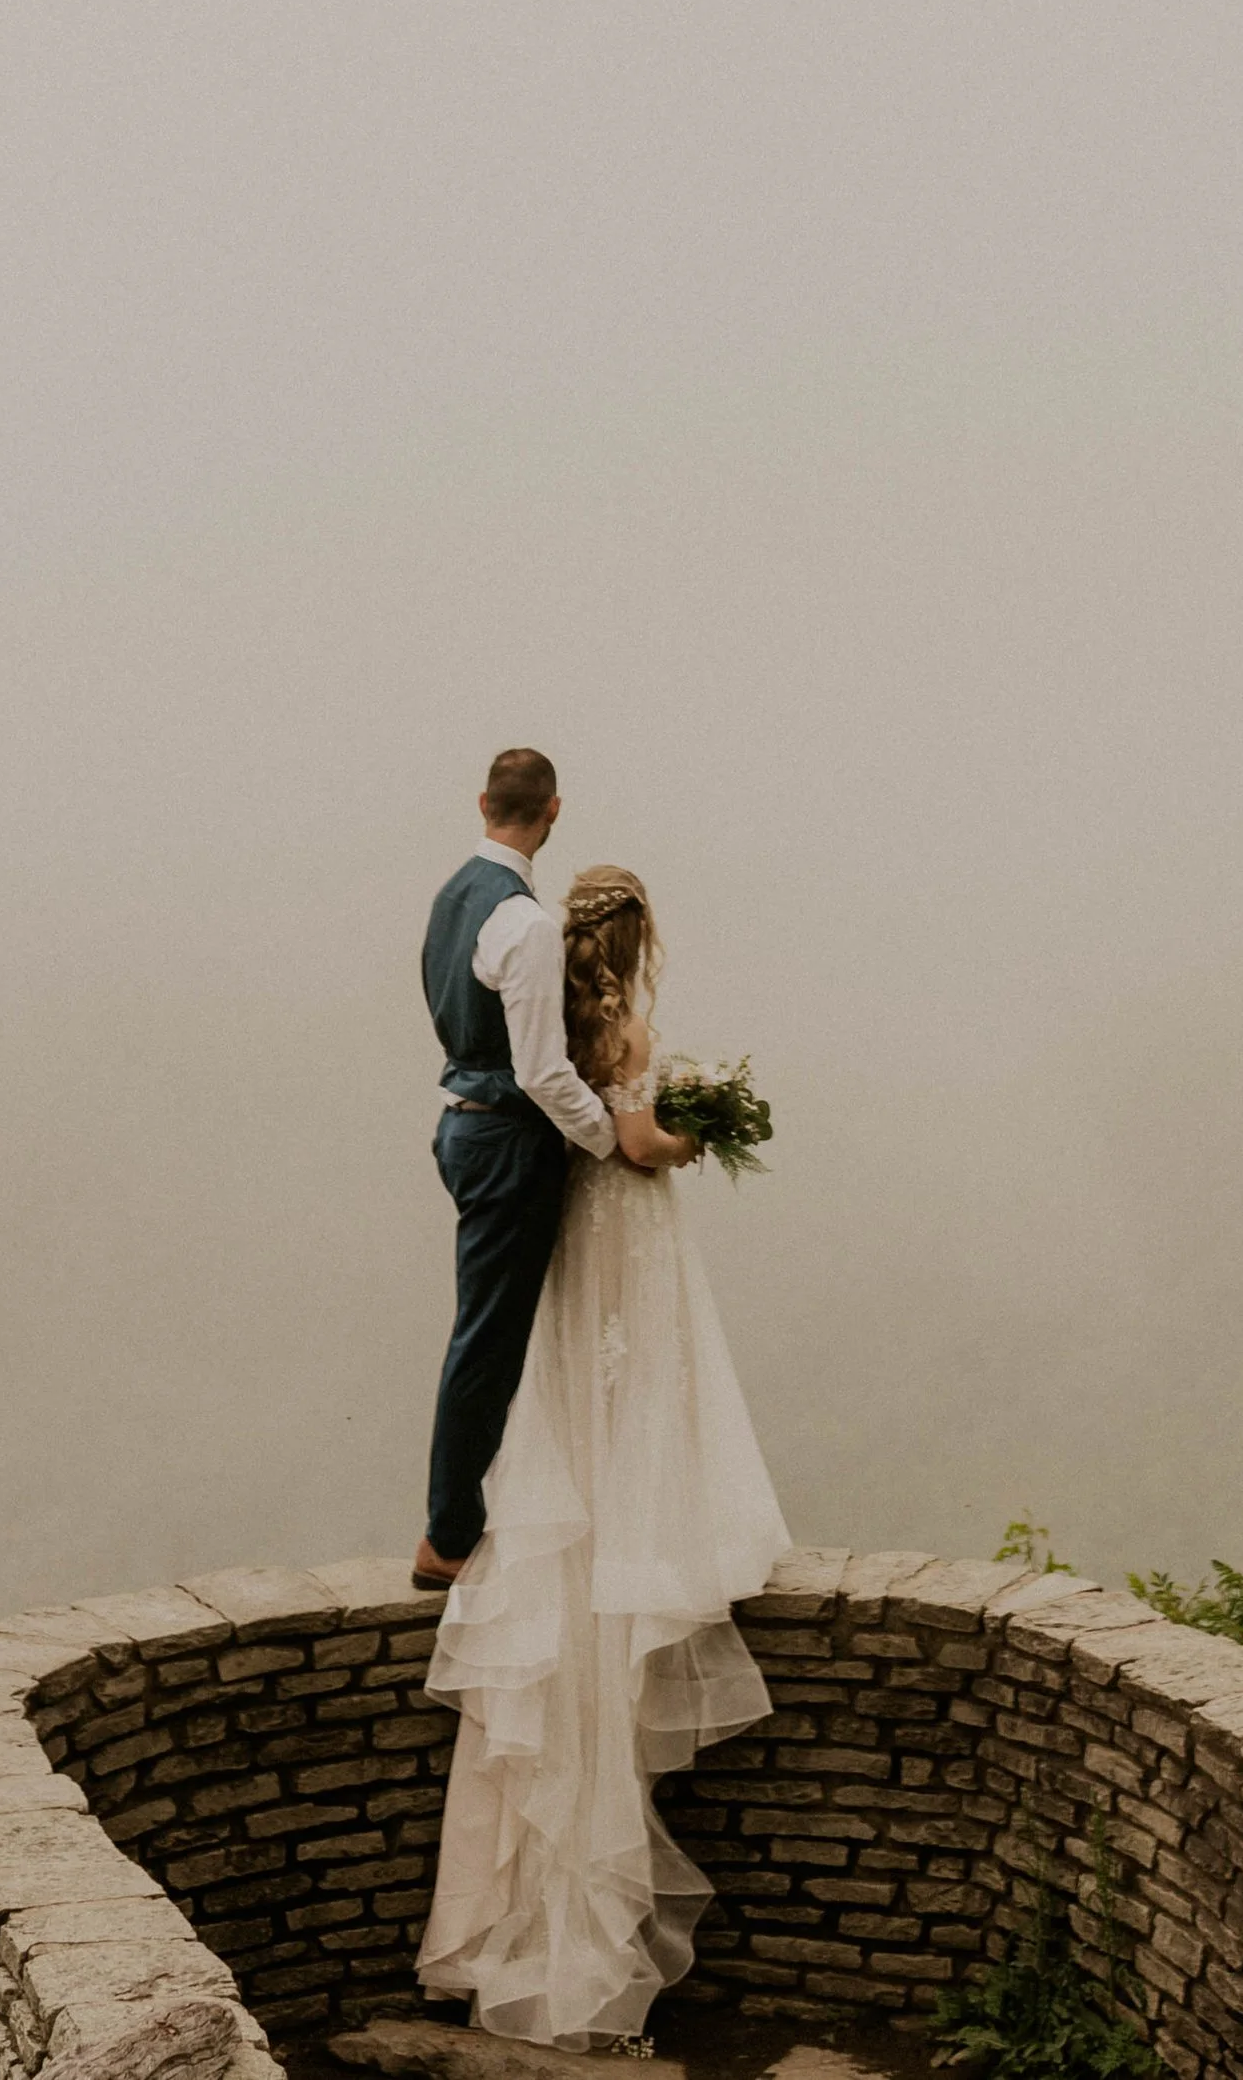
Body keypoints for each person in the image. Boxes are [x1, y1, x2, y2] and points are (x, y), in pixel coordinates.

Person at [418, 860, 790, 2047]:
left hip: (568, 1237)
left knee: (575, 1389)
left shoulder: (548, 1017)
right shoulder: (620, 1022)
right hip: (625, 1229)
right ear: (636, 940)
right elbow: (634, 1144)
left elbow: (573, 1117)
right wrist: (692, 1133)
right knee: (641, 1394)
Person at [416, 749, 669, 1590]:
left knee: (492, 1332)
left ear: (483, 801)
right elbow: (542, 1070)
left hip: (464, 1123)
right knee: (488, 1339)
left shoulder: (452, 898)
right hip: (508, 1141)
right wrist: (612, 1143)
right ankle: (449, 1537)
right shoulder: (523, 922)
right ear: (552, 811)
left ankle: (483, 1515)